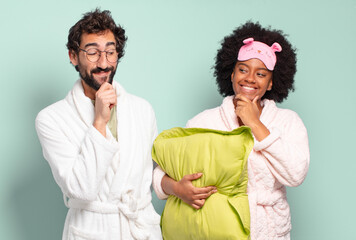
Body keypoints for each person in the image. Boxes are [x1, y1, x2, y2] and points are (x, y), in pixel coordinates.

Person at [153, 21, 310, 240]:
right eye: (243, 69)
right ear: (231, 74)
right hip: (216, 229)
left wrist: (254, 123)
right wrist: (177, 189)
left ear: (272, 83)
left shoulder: (288, 122)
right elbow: (160, 173)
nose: (249, 79)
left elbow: (296, 174)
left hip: (270, 230)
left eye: (261, 74)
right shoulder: (204, 121)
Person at [36, 9, 162, 240]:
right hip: (92, 230)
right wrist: (100, 120)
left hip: (141, 229)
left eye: (111, 52)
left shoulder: (142, 109)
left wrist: (175, 187)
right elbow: (82, 189)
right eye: (93, 52)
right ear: (73, 56)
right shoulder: (51, 119)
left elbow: (150, 174)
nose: (103, 63)